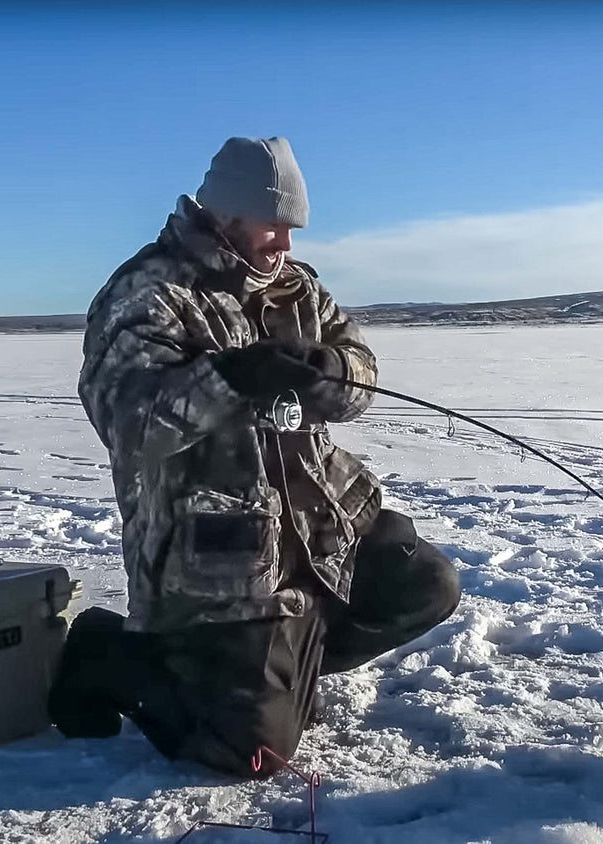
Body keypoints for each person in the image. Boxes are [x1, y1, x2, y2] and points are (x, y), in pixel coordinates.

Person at [54, 136, 461, 777]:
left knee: (426, 585)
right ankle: (113, 656)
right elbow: (128, 424)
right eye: (275, 227)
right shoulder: (149, 293)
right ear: (226, 213)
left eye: (293, 229)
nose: (287, 245)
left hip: (320, 521)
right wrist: (228, 378)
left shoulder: (297, 289)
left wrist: (332, 372)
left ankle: (277, 671)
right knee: (252, 753)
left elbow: (361, 371)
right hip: (216, 548)